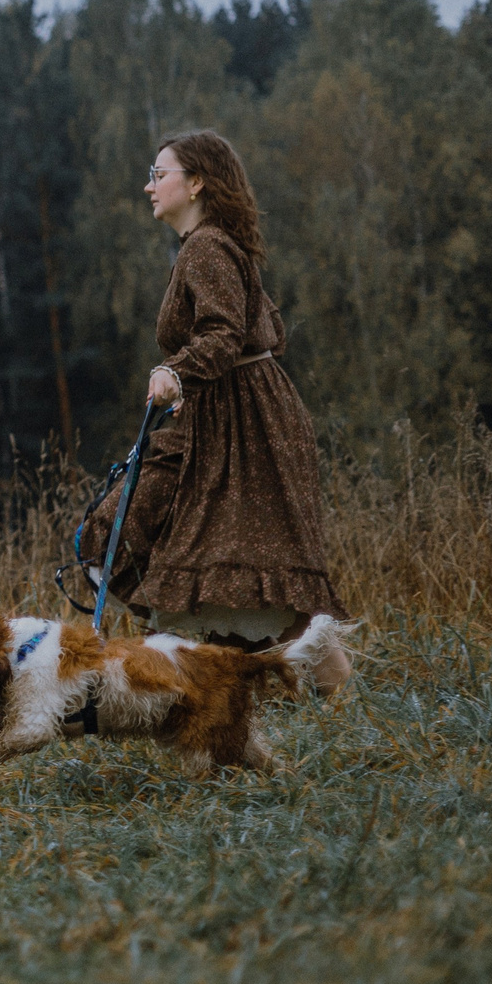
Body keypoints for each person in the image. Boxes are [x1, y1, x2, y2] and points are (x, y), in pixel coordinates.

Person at [91, 129, 352, 690]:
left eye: (159, 174)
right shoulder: (211, 246)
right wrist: (195, 383)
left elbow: (225, 333)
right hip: (227, 421)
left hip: (249, 431)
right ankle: (251, 700)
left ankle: (338, 710)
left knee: (261, 581)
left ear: (197, 183)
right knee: (226, 574)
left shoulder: (208, 247)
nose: (149, 186)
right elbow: (264, 327)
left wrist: (176, 371)